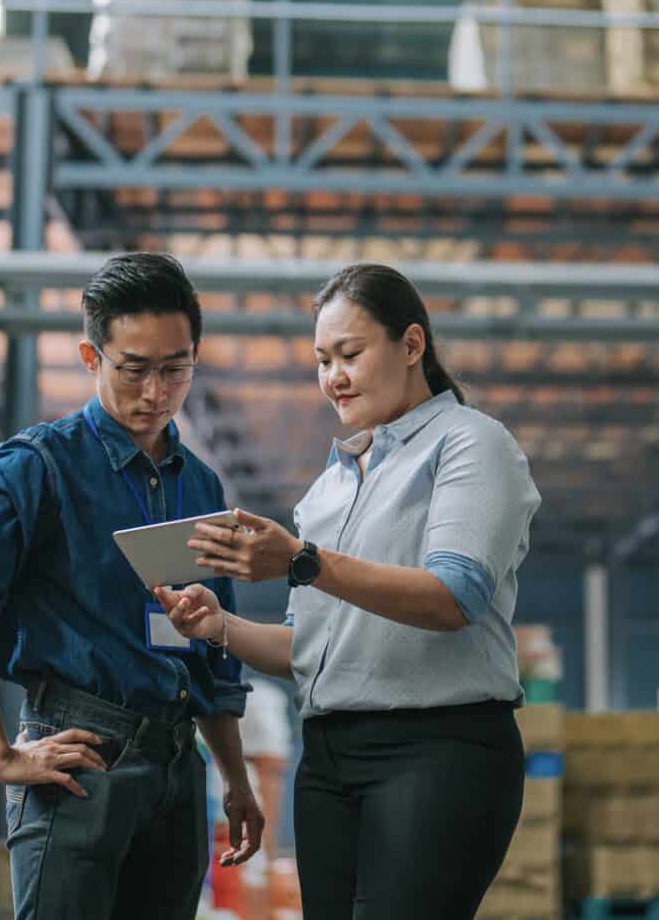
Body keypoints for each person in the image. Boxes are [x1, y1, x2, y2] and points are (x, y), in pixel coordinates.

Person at [156, 262, 542, 920]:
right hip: (329, 760)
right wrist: (220, 626)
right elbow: (314, 647)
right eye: (321, 358)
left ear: (412, 345)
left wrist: (302, 560)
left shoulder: (471, 445)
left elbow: (454, 597)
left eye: (350, 353)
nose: (333, 375)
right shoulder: (328, 491)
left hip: (437, 750)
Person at [0, 252, 264, 920]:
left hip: (176, 769)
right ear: (91, 355)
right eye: (134, 369)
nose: (155, 391)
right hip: (78, 760)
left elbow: (215, 655)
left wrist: (236, 779)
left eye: (175, 368)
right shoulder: (37, 466)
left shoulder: (202, 487)